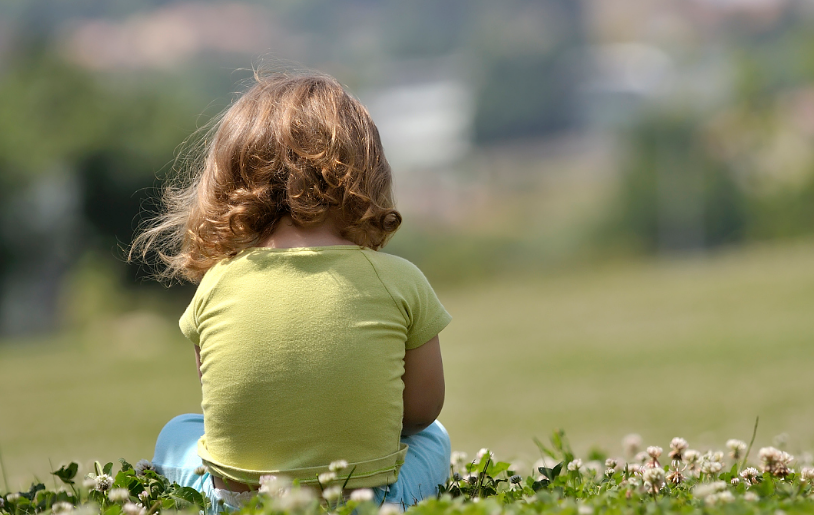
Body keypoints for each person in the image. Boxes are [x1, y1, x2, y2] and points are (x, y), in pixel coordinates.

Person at [130, 71, 452, 511]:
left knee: (178, 432)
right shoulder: (400, 279)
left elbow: (229, 406)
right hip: (367, 498)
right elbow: (421, 412)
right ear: (368, 174)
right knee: (434, 440)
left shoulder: (216, 283)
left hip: (238, 500)